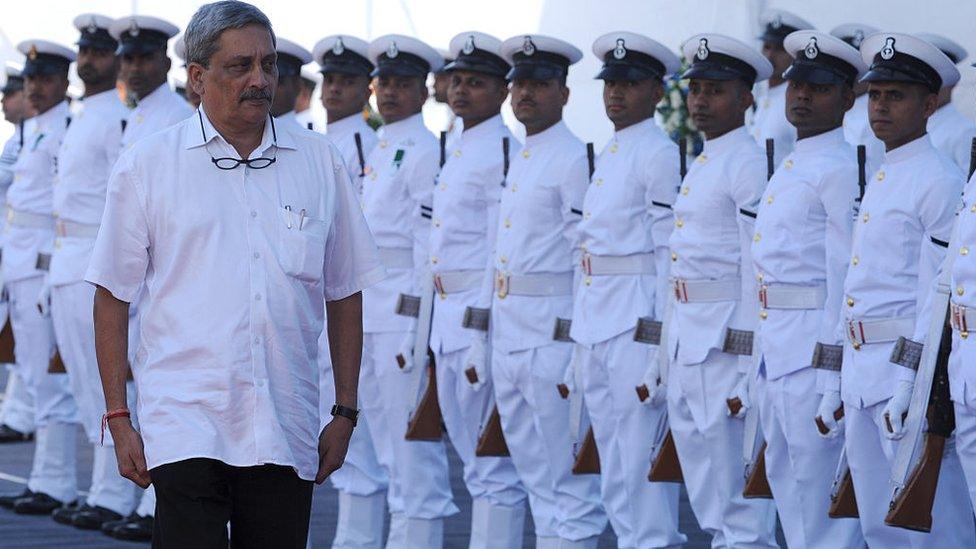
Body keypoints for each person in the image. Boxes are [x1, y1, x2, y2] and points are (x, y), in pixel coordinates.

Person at [87, 2, 384, 547]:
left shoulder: (320, 163)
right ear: (197, 78)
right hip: (185, 421)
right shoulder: (147, 166)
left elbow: (345, 291)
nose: (260, 80)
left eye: (268, 65)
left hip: (284, 423)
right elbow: (112, 294)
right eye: (239, 66)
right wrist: (118, 416)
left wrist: (345, 411)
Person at [470, 33, 605, 549]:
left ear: (564, 94)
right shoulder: (524, 157)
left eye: (539, 84)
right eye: (519, 84)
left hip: (551, 337)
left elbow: (581, 256)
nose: (525, 94)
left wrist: (575, 340)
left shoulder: (573, 159)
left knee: (568, 486)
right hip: (511, 336)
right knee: (534, 479)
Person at [841, 30, 974, 547]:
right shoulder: (885, 171)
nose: (880, 107)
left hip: (903, 373)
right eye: (875, 94)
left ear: (930, 102)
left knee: (933, 529)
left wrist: (912, 386)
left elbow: (934, 298)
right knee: (880, 526)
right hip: (862, 368)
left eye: (895, 96)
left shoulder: (937, 178)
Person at [750, 30, 865, 549]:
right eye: (798, 85)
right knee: (788, 488)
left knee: (822, 508)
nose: (800, 96)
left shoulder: (841, 170)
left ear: (847, 98)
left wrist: (833, 375)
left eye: (818, 89)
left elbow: (845, 278)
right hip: (777, 349)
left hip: (811, 353)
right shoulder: (791, 163)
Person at [667, 32, 779, 548]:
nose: (700, 101)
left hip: (723, 343)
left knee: (740, 499)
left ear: (746, 97)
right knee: (709, 495)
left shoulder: (748, 161)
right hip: (689, 340)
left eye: (715, 90)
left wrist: (745, 358)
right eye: (696, 90)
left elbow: (755, 266)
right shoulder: (706, 158)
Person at [576, 31, 687, 549]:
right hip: (598, 315)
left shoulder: (658, 153)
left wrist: (661, 338)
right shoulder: (615, 150)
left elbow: (669, 250)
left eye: (631, 83)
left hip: (635, 318)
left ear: (657, 91)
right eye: (611, 83)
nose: (616, 93)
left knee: (639, 459)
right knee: (614, 465)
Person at [354, 34, 458, 547]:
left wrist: (420, 325)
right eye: (384, 82)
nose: (390, 92)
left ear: (424, 91)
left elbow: (425, 245)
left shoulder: (424, 149)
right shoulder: (382, 144)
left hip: (401, 311)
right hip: (372, 306)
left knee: (412, 447)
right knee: (382, 441)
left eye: (403, 83)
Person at [430, 31, 527, 548]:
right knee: (473, 461)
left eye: (477, 82)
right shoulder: (459, 146)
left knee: (493, 464)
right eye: (457, 80)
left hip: (477, 318)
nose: (462, 90)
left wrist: (481, 331)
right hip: (446, 315)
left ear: (502, 90)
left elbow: (498, 249)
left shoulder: (505, 153)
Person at [101, 14, 194, 541]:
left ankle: (157, 501)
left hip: (161, 272)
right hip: (132, 263)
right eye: (128, 58)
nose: (134, 67)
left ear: (166, 61)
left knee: (162, 384)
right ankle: (141, 499)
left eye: (144, 58)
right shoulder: (136, 116)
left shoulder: (173, 117)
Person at [46, 13, 134, 531]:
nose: (87, 61)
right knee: (86, 384)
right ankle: (104, 486)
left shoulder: (119, 116)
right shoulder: (86, 113)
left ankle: (120, 492)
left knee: (114, 385)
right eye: (85, 52)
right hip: (67, 257)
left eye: (99, 53)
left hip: (95, 260)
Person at [311, 33, 387, 548]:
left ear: (367, 88)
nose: (334, 89)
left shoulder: (364, 145)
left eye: (347, 80)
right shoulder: (313, 140)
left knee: (360, 433)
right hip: (312, 301)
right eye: (329, 79)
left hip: (358, 303)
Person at [0, 38, 79, 516]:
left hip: (45, 262)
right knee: (33, 374)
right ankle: (47, 480)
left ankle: (59, 482)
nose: (34, 88)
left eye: (44, 79)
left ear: (61, 83)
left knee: (53, 381)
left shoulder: (68, 128)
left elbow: (62, 205)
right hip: (20, 261)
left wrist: (49, 265)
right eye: (30, 80)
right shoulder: (29, 131)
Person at [0, 62, 36, 445]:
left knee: (27, 342)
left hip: (28, 252)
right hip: (14, 249)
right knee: (21, 343)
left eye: (11, 93)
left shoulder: (27, 138)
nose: (5, 102)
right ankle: (18, 412)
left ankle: (21, 414)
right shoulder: (19, 138)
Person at [752, 8, 814, 167]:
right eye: (767, 47)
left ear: (796, 55)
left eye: (779, 49)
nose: (770, 56)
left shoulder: (799, 101)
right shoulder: (762, 95)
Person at [916, 32, 976, 174]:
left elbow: (968, 188)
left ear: (953, 82)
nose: (927, 89)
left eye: (935, 82)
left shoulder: (964, 131)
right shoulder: (910, 124)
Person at [831, 23, 884, 171]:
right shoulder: (829, 106)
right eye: (847, 65)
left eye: (860, 66)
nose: (853, 74)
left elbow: (873, 172)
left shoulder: (876, 116)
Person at [271, 38, 313, 127]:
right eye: (266, 79)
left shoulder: (306, 140)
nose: (269, 87)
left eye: (279, 82)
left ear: (298, 85)